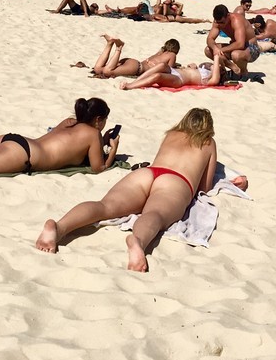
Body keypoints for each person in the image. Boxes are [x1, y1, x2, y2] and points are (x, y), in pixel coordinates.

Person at [35, 108, 225, 271]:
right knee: (155, 215)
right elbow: (205, 186)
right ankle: (138, 242)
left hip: (147, 173)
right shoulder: (208, 142)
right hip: (176, 181)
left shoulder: (171, 134)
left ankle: (59, 227)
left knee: (105, 207)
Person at [82, 35, 179, 78]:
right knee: (108, 71)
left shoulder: (161, 52)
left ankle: (109, 44)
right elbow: (169, 71)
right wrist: (177, 66)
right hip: (136, 68)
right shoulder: (172, 55)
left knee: (98, 69)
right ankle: (119, 47)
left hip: (132, 63)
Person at [120, 52, 226, 90]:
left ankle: (130, 86)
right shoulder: (205, 70)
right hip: (176, 70)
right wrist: (191, 66)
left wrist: (216, 56)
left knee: (158, 76)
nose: (217, 66)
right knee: (162, 65)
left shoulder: (212, 80)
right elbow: (212, 66)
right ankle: (135, 82)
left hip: (179, 80)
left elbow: (216, 69)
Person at [204, 4, 258, 76]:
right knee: (208, 50)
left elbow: (240, 44)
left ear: (228, 15)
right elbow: (210, 39)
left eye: (222, 22)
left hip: (251, 48)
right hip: (236, 47)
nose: (220, 25)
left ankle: (243, 71)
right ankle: (233, 68)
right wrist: (215, 48)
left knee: (235, 55)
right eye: (218, 22)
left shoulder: (236, 21)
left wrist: (221, 50)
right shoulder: (217, 22)